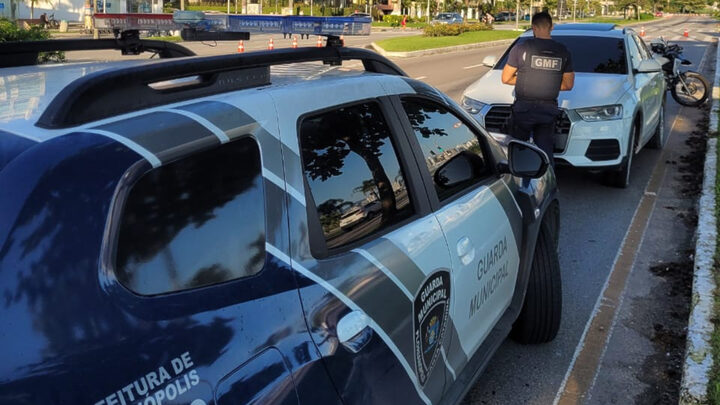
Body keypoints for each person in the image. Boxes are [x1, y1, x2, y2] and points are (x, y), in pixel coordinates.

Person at [501, 11, 574, 167]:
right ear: (552, 27)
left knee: (518, 151)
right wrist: (549, 83)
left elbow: (506, 78)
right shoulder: (563, 51)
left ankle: (520, 185)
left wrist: (527, 81)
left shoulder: (520, 49)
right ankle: (548, 182)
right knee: (546, 154)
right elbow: (568, 85)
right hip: (548, 109)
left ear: (533, 27)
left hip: (523, 109)